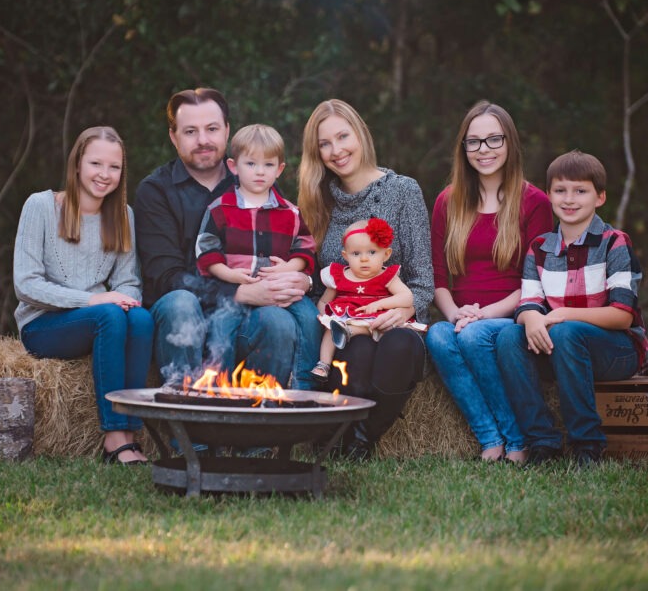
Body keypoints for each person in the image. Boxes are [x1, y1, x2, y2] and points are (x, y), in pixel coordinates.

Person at [134, 88, 321, 386]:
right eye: (190, 131)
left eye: (211, 129)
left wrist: (302, 279)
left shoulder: (256, 179)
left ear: (227, 130)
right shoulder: (155, 191)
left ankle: (262, 421)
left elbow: (296, 246)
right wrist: (236, 292)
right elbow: (163, 276)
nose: (203, 140)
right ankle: (187, 422)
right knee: (180, 304)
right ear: (173, 136)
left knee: (279, 321)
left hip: (249, 313)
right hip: (183, 316)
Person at [296, 98, 433, 458]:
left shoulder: (403, 191)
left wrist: (403, 310)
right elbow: (313, 278)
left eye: (343, 136)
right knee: (354, 349)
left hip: (397, 317)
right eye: (324, 143)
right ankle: (339, 432)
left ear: (361, 134)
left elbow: (422, 280)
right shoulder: (317, 201)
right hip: (345, 319)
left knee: (397, 346)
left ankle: (362, 439)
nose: (336, 150)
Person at [495, 150, 648, 467]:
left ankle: (587, 445)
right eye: (560, 190)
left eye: (581, 191)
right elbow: (528, 303)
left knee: (566, 331)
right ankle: (543, 441)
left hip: (617, 351)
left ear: (600, 197)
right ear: (549, 195)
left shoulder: (614, 243)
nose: (569, 199)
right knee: (509, 337)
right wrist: (532, 317)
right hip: (561, 348)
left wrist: (563, 314)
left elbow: (622, 315)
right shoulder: (540, 248)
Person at [13, 126, 154, 465]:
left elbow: (129, 282)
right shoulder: (41, 206)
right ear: (77, 164)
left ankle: (132, 434)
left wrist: (122, 299)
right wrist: (95, 300)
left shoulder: (122, 215)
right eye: (96, 164)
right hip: (44, 325)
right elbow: (26, 285)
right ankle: (113, 436)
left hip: (97, 319)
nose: (105, 175)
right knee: (108, 314)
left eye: (114, 167)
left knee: (141, 317)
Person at [425, 101, 552, 463]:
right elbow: (438, 275)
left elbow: (536, 281)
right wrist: (452, 314)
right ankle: (489, 436)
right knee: (436, 336)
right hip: (463, 315)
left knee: (473, 335)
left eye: (494, 139)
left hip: (509, 312)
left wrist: (480, 317)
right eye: (474, 142)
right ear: (463, 149)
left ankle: (516, 440)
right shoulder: (448, 202)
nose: (484, 150)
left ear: (510, 143)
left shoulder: (534, 202)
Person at [195, 123, 317, 372]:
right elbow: (206, 249)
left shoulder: (290, 212)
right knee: (220, 327)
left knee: (310, 319)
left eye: (268, 165)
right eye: (251, 164)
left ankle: (305, 381)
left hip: (278, 288)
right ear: (233, 167)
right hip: (236, 289)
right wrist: (230, 276)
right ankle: (220, 388)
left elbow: (304, 247)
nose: (260, 172)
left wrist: (290, 269)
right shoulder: (220, 208)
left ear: (280, 169)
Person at [313, 217, 423, 379]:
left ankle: (349, 332)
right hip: (345, 316)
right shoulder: (338, 275)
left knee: (379, 326)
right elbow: (324, 301)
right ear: (345, 255)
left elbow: (407, 297)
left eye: (372, 252)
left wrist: (381, 304)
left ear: (386, 254)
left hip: (375, 319)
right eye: (356, 253)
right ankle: (324, 364)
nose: (364, 259)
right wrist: (324, 316)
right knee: (331, 329)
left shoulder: (386, 276)